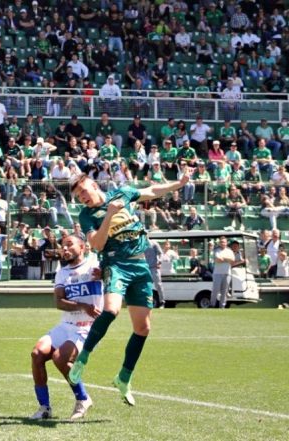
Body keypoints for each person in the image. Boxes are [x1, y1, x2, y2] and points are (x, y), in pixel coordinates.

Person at [67, 171, 190, 405]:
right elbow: (96, 244)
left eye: (83, 191)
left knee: (143, 328)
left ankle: (124, 377)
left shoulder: (122, 193)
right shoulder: (87, 215)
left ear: (94, 185)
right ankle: (82, 359)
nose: (82, 197)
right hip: (115, 264)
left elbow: (152, 191)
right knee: (111, 310)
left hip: (140, 265)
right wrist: (109, 215)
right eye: (78, 195)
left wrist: (180, 183)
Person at [30, 235, 101, 420]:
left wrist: (106, 274)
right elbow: (59, 302)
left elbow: (113, 274)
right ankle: (44, 408)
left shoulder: (95, 264)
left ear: (82, 247)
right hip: (66, 325)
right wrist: (82, 305)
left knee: (59, 358)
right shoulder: (62, 272)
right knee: (37, 353)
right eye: (63, 246)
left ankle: (83, 398)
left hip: (87, 327)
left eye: (70, 244)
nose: (65, 249)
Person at [211, 237, 234, 309]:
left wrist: (224, 258)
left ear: (226, 243)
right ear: (219, 243)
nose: (223, 243)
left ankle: (222, 306)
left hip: (227, 273)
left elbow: (232, 260)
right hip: (217, 273)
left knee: (224, 291)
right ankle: (212, 305)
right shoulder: (216, 250)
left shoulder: (230, 251)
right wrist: (227, 259)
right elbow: (218, 260)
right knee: (215, 290)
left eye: (224, 242)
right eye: (221, 242)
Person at [143, 239, 165, 308]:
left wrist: (160, 261)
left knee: (158, 285)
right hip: (145, 268)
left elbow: (161, 253)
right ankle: (147, 302)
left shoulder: (154, 243)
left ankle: (162, 302)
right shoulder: (140, 243)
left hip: (154, 268)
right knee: (145, 286)